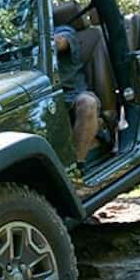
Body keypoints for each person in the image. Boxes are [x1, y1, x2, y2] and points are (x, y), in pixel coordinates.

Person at [53, 24, 101, 171]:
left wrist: (33, 39)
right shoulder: (16, 47)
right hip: (48, 98)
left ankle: (76, 166)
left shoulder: (64, 31)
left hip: (73, 95)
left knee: (87, 103)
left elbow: (60, 44)